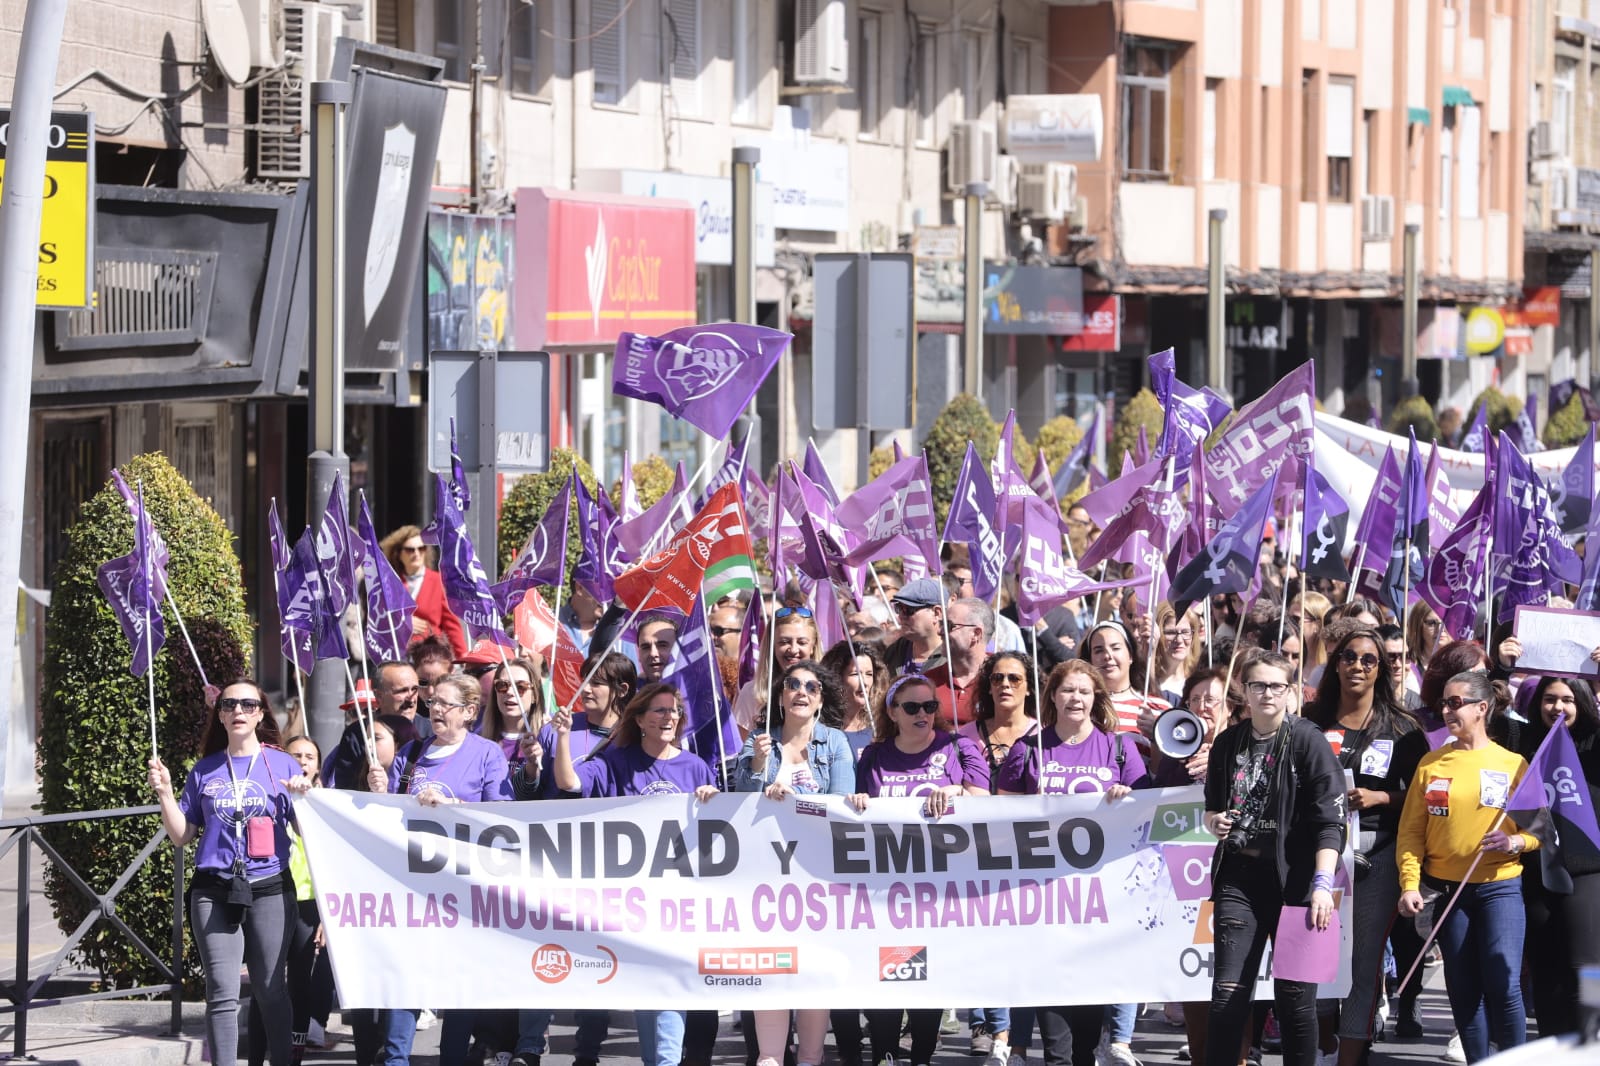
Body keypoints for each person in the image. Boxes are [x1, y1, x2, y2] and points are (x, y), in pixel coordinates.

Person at [147, 680, 313, 1066]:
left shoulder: (282, 764)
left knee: (270, 989)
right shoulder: (205, 769)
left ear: (260, 713)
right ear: (220, 715)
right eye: (229, 704)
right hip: (213, 889)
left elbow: (305, 833)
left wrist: (304, 799)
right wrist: (165, 793)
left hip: (269, 887)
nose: (238, 710)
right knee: (221, 993)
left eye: (247, 704)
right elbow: (181, 835)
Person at [551, 684, 718, 1066]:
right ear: (640, 720)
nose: (669, 717)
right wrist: (562, 737)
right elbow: (569, 783)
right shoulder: (616, 761)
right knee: (648, 987)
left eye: (674, 711)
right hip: (632, 899)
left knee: (669, 983)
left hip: (680, 899)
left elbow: (717, 828)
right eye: (659, 710)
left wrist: (713, 799)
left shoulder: (696, 767)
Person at [995, 659, 1150, 1066]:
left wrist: (1127, 797)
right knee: (1057, 1042)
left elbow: (1146, 809)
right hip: (1045, 902)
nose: (1075, 698)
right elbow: (1000, 819)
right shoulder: (1028, 749)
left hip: (1100, 904)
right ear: (1052, 696)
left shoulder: (1120, 748)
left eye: (1084, 690)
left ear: (1096, 696)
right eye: (1067, 690)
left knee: (1085, 1041)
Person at [1201, 652, 1346, 1066]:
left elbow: (1330, 821)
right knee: (1227, 995)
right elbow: (1211, 809)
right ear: (1244, 691)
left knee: (1294, 1001)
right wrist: (1215, 822)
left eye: (1276, 686)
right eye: (1258, 685)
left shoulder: (1308, 741)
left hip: (1297, 882)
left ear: (1291, 691)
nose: (1267, 693)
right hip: (1239, 879)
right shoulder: (1227, 742)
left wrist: (1322, 885)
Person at [848, 674, 989, 1066]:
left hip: (941, 886)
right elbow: (854, 804)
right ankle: (886, 1054)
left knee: (928, 976)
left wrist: (958, 791)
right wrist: (856, 801)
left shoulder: (959, 747)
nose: (922, 713)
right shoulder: (874, 755)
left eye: (930, 706)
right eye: (911, 707)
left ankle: (922, 1056)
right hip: (887, 886)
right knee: (889, 971)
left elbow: (985, 799)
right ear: (893, 712)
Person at [1397, 671, 1537, 1063]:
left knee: (1503, 981)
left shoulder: (1513, 763)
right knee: (1463, 989)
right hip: (1447, 891)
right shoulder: (1431, 763)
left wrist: (1514, 841)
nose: (1446, 710)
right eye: (1443, 703)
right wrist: (1410, 884)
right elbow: (1411, 832)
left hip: (1500, 886)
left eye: (1455, 703)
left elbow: (1539, 831)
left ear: (1482, 708)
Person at [1308, 626, 1428, 1064]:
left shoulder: (1403, 728)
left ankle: (1350, 1055)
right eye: (1348, 657)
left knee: (1361, 963)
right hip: (1319, 859)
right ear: (1335, 664)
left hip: (1378, 858)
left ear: (1381, 669)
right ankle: (1324, 1048)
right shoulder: (1309, 721)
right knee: (1318, 957)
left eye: (1368, 660)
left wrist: (1382, 798)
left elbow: (1424, 796)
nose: (1357, 666)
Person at [732, 660, 853, 1066]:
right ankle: (769, 1058)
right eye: (793, 684)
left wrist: (796, 802)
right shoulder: (759, 741)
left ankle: (810, 1059)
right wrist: (756, 766)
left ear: (820, 700)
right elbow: (739, 802)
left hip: (817, 879)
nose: (802, 691)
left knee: (813, 974)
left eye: (811, 687)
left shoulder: (835, 743)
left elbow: (841, 806)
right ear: (781, 696)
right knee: (771, 969)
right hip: (767, 879)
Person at [1505, 675, 1600, 1037]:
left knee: (1588, 967)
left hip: (1588, 869)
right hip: (1536, 870)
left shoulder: (1594, 741)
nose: (1557, 707)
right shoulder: (1522, 739)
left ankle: (1590, 1046)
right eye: (1549, 699)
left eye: (1567, 699)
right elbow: (1489, 713)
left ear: (1582, 702)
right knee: (1545, 970)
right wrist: (1502, 668)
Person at [733, 606, 820, 737]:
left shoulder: (828, 691)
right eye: (784, 642)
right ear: (772, 645)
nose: (793, 649)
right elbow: (741, 747)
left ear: (813, 646)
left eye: (802, 642)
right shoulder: (752, 693)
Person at [382, 524, 467, 657]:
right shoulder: (390, 583)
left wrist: (463, 657)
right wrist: (402, 622)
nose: (416, 554)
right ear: (398, 554)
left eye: (421, 549)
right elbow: (378, 619)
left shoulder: (439, 581)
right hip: (398, 655)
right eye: (410, 550)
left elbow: (452, 625)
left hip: (431, 656)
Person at [1080, 621, 1168, 748]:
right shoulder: (1079, 705)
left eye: (1116, 648)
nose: (1107, 656)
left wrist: (1156, 735)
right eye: (1098, 651)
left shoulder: (1159, 708)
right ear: (1090, 660)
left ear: (1130, 656)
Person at [925, 597, 993, 727]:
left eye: (949, 626)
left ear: (976, 633)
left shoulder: (1003, 678)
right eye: (941, 624)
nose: (939, 631)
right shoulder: (928, 681)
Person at [819, 639, 886, 761]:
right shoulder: (820, 729)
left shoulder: (882, 726)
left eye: (869, 674)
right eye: (855, 674)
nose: (864, 682)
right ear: (836, 677)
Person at [483, 655, 544, 762]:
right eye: (502, 685)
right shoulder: (478, 739)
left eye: (520, 687)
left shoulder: (547, 737)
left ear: (534, 695)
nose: (510, 692)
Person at [884, 578, 947, 674]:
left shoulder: (954, 656)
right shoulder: (894, 651)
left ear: (937, 613)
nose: (900, 616)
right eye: (899, 608)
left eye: (908, 609)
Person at [1150, 604, 1201, 704]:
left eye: (1185, 632)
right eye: (1171, 632)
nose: (1179, 640)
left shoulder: (1199, 679)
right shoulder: (1147, 679)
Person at [1404, 602, 1444, 700]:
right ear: (1418, 626)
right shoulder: (1406, 665)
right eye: (1432, 623)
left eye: (1445, 622)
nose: (1440, 629)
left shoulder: (1461, 664)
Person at [637, 614, 680, 682]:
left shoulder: (697, 686)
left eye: (662, 645)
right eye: (646, 647)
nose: (653, 654)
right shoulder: (629, 688)